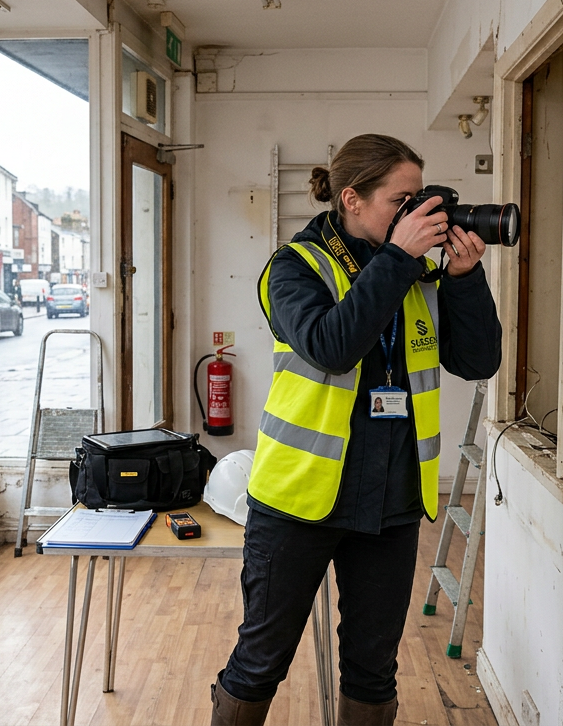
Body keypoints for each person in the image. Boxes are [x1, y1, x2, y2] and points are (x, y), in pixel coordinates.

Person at [211, 134, 502, 726]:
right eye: (404, 199)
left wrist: (465, 277)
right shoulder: (293, 267)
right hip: (299, 501)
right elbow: (332, 347)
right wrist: (398, 259)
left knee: (373, 669)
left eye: (421, 197)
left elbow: (478, 362)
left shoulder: (417, 272)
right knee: (261, 661)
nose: (421, 212)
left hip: (389, 502)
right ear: (352, 199)